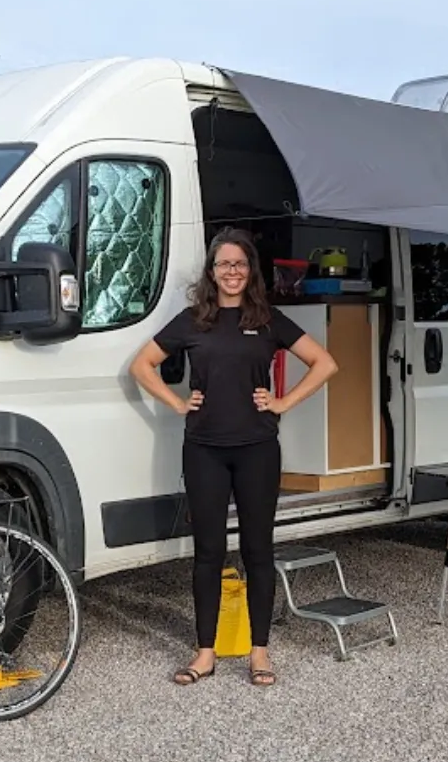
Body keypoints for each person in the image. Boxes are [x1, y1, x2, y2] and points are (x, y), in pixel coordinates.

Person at [129, 227, 338, 687]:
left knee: (257, 550)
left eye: (240, 264)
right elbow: (141, 365)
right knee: (208, 552)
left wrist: (282, 402)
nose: (232, 271)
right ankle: (205, 653)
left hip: (257, 449)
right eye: (224, 263)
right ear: (211, 271)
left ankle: (259, 652)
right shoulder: (192, 320)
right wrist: (178, 403)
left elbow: (325, 363)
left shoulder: (268, 319)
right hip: (204, 449)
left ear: (250, 270)